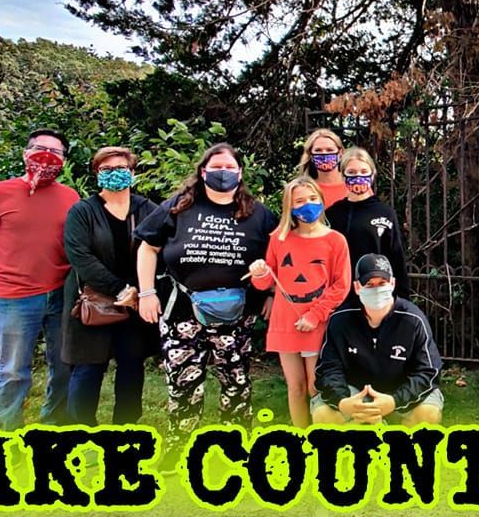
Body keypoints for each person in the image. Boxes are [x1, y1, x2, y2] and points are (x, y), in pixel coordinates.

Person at [134, 143, 277, 468]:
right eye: (217, 167)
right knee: (183, 382)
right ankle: (177, 447)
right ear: (202, 172)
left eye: (230, 168)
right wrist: (145, 292)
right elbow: (147, 248)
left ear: (240, 174)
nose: (223, 173)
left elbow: (276, 259)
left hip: (236, 316)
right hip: (182, 312)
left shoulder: (259, 214)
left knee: (236, 382)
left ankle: (235, 448)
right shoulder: (178, 207)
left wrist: (269, 294)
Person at [0, 128, 79, 429]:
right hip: (14, 296)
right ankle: (8, 435)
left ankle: (54, 425)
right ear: (25, 153)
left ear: (64, 160)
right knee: (14, 370)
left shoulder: (70, 196)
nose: (48, 157)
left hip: (60, 295)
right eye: (41, 149)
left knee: (65, 366)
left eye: (56, 153)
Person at [61, 146, 162, 425]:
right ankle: (81, 434)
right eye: (106, 170)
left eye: (121, 169)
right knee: (88, 370)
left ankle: (125, 433)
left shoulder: (149, 210)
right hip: (93, 302)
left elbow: (162, 251)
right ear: (96, 174)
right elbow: (80, 258)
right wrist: (120, 289)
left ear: (132, 172)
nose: (114, 174)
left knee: (131, 368)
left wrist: (142, 291)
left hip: (135, 305)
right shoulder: (82, 212)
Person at [249, 177, 352, 428]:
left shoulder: (335, 240)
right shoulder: (279, 239)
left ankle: (319, 435)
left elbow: (341, 285)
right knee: (294, 388)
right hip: (285, 323)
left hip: (316, 323)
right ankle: (300, 436)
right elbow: (267, 282)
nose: (308, 205)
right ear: (290, 207)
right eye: (300, 201)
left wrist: (315, 315)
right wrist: (259, 272)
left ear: (321, 200)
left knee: (314, 386)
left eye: (313, 199)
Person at [312, 254, 444, 426]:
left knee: (428, 414)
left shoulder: (413, 320)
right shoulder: (340, 319)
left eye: (382, 283)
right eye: (369, 284)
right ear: (357, 287)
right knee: (323, 415)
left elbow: (428, 371)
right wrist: (343, 401)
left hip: (400, 390)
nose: (376, 290)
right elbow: (328, 368)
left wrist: (394, 401)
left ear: (393, 284)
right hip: (354, 392)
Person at [324, 147, 410, 301]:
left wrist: (401, 298)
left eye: (364, 172)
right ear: (343, 175)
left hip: (375, 293)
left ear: (372, 174)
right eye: (351, 172)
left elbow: (396, 257)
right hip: (339, 296)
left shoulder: (385, 213)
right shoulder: (332, 214)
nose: (358, 177)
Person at [297, 128, 349, 207]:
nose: (324, 154)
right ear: (310, 155)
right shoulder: (302, 189)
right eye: (318, 150)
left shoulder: (354, 184)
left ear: (340, 153)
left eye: (329, 150)